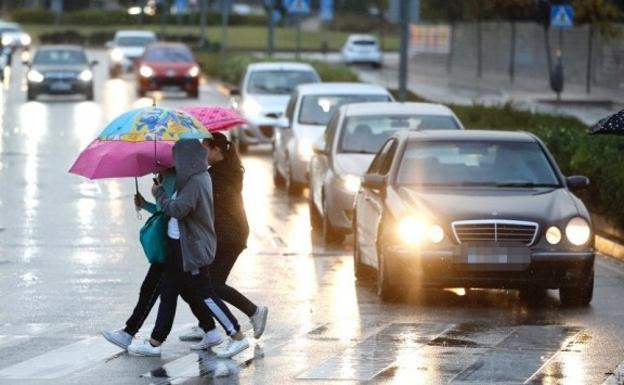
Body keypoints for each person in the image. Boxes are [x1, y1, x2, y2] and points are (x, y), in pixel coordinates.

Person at [127, 139, 249, 358]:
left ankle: (236, 335)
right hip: (178, 246)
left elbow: (179, 209)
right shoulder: (190, 179)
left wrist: (159, 193)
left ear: (188, 158)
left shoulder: (196, 181)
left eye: (177, 158)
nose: (175, 162)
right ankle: (155, 342)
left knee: (205, 292)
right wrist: (153, 198)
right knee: (168, 291)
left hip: (191, 248)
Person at [180, 133, 268, 347]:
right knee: (205, 282)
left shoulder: (218, 176)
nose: (202, 154)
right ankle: (206, 325)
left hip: (228, 236)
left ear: (217, 149)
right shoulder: (226, 171)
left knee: (211, 284)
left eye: (205, 149)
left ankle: (253, 311)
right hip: (228, 234)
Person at [101, 168, 176, 350]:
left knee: (151, 289)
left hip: (170, 243)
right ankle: (209, 328)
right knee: (193, 293)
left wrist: (158, 194)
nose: (152, 165)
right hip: (169, 242)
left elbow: (170, 211)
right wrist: (145, 204)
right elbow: (161, 210)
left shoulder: (173, 177)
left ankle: (129, 333)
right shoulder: (165, 177)